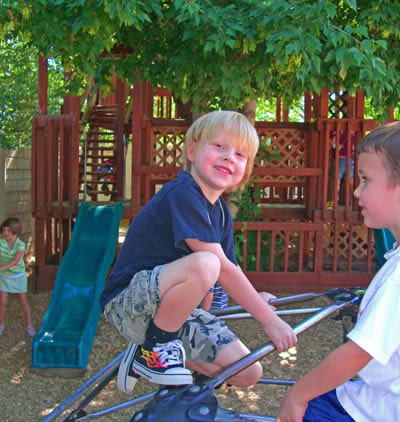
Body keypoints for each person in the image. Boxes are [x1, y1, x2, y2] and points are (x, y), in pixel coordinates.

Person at [100, 110, 297, 393]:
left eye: (241, 155)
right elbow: (217, 267)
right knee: (206, 263)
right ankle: (154, 350)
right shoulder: (183, 193)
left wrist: (254, 301)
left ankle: (150, 350)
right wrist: (269, 321)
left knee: (247, 371)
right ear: (192, 150)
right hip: (128, 302)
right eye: (219, 146)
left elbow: (227, 275)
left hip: (171, 312)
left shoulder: (220, 214)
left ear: (247, 169)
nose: (230, 157)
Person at [277, 121, 400, 422]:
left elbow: (359, 352)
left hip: (373, 410)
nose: (356, 191)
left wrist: (298, 394)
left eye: (366, 180)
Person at [0, 217, 35, 336]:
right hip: (4, 277)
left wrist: (1, 268)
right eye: (4, 230)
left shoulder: (20, 244)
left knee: (23, 301)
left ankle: (29, 325)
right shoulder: (1, 243)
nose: (5, 233)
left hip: (18, 277)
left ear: (15, 231)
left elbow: (15, 261)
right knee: (2, 302)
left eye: (8, 230)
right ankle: (1, 325)